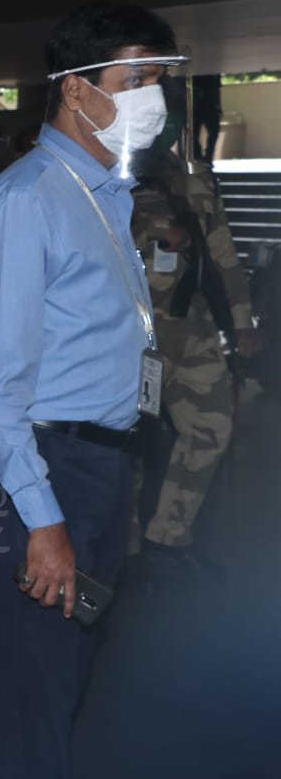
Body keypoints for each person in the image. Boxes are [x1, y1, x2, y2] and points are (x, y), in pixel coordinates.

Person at [0, 3, 187, 778]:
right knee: (39, 691)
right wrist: (43, 517)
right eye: (136, 81)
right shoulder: (27, 200)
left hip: (95, 464)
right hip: (41, 471)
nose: (151, 99)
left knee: (69, 676)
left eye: (157, 80)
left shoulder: (105, 193)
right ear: (76, 91)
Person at [129, 147, 260, 582]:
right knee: (127, 444)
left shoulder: (196, 185)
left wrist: (241, 323)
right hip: (129, 338)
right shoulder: (116, 178)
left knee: (212, 426)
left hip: (190, 331)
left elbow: (223, 256)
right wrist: (153, 228)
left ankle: (167, 536)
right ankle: (121, 545)